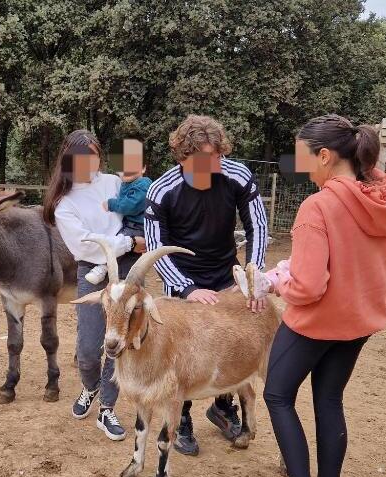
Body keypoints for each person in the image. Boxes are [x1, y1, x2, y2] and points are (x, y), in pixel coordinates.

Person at [248, 115, 386, 477]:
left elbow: (308, 285)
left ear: (324, 156)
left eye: (303, 158)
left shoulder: (318, 206)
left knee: (277, 395)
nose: (299, 167)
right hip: (359, 323)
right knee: (329, 400)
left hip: (314, 323)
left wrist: (276, 280)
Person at [144, 115, 269, 456]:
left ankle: (222, 405)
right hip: (182, 279)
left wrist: (253, 272)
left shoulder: (237, 176)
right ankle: (182, 418)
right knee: (182, 350)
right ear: (182, 157)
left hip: (226, 273)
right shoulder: (161, 190)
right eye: (203, 159)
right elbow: (156, 249)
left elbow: (257, 223)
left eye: (217, 157)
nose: (213, 165)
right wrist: (186, 289)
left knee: (228, 343)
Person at [43, 130, 146, 441]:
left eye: (93, 155)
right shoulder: (64, 203)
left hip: (128, 269)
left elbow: (141, 206)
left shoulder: (115, 182)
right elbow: (85, 246)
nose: (89, 163)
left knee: (118, 342)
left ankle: (107, 408)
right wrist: (128, 241)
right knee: (88, 349)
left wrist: (138, 240)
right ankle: (91, 387)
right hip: (94, 270)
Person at [86, 138, 152, 284]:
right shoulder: (125, 183)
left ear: (143, 168)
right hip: (130, 225)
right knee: (125, 250)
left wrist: (111, 204)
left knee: (119, 243)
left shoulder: (143, 184)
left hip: (137, 227)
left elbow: (130, 206)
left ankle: (103, 267)